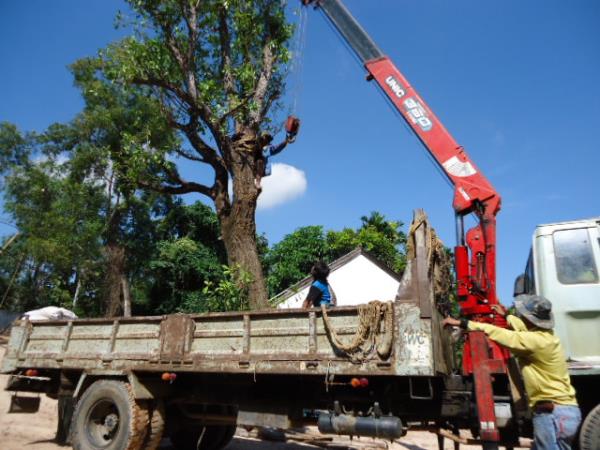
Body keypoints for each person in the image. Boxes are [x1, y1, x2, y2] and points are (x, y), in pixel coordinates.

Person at [442, 295, 581, 450]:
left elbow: (499, 333)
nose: (521, 317)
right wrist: (507, 316)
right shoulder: (548, 337)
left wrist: (462, 323)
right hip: (568, 412)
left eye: (523, 315)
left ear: (529, 320)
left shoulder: (533, 341)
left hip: (551, 414)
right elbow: (521, 327)